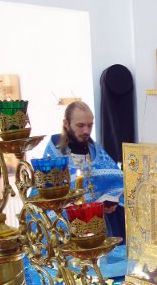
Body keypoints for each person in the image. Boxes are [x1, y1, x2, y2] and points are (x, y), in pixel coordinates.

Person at [43, 100, 126, 241]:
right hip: (69, 232)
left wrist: (111, 203)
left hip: (99, 228)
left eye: (90, 125)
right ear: (66, 123)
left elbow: (117, 182)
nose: (86, 131)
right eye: (80, 125)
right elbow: (48, 199)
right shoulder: (55, 156)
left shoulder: (95, 151)